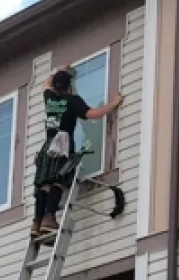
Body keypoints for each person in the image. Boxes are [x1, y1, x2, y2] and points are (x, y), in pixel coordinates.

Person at [32, 66, 124, 237]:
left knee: (45, 184)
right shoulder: (72, 100)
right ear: (69, 86)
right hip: (62, 145)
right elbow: (92, 114)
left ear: (55, 87)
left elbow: (45, 83)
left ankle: (37, 222)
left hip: (48, 145)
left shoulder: (49, 98)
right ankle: (49, 218)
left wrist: (58, 70)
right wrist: (112, 104)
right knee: (59, 180)